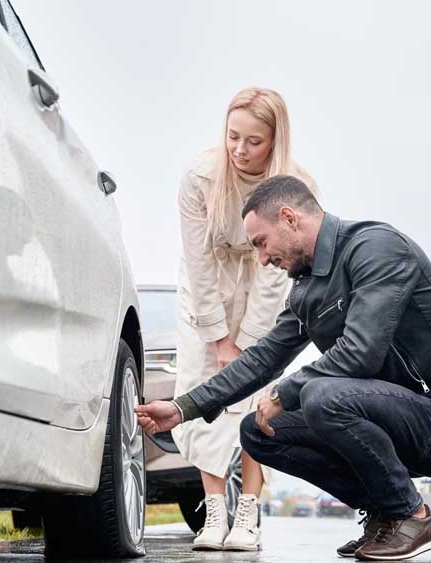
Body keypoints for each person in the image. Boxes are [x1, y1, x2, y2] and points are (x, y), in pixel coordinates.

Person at [137, 175, 431, 561]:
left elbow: (360, 352)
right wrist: (184, 407)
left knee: (322, 395)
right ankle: (385, 512)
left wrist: (284, 392)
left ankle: (412, 515)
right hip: (383, 414)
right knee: (257, 431)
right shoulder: (307, 288)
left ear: (289, 218)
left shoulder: (378, 249)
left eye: (260, 243)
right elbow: (262, 358)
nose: (262, 259)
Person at [173, 87, 318, 551]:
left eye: (253, 141)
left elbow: (278, 274)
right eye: (233, 136)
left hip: (264, 282)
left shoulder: (296, 186)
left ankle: (249, 511)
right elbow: (197, 261)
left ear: (275, 141)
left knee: (254, 392)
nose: (240, 149)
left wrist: (248, 345)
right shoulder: (198, 175)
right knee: (202, 391)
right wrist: (217, 339)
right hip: (207, 287)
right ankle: (214, 511)